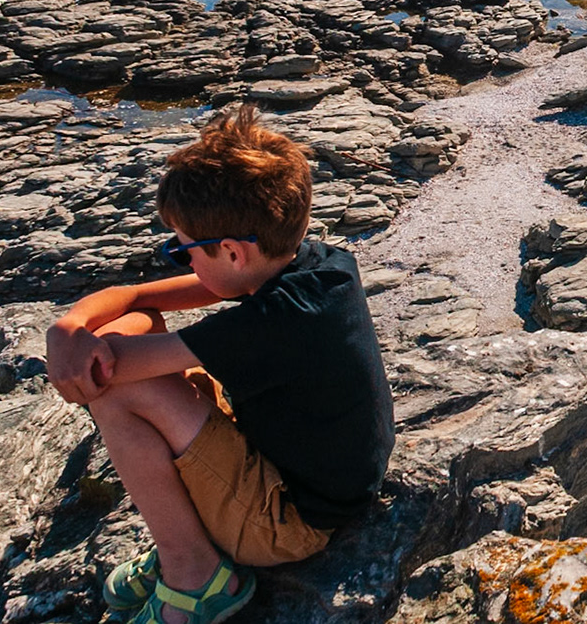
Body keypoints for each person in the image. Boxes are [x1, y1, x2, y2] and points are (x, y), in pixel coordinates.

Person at [44, 105, 395, 624]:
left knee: (114, 390)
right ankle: (190, 538)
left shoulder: (277, 321)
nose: (182, 261)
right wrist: (67, 328)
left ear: (231, 253)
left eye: (184, 252)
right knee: (135, 324)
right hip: (304, 475)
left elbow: (109, 370)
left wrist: (76, 343)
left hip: (288, 524)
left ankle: (195, 573)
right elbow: (138, 295)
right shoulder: (320, 267)